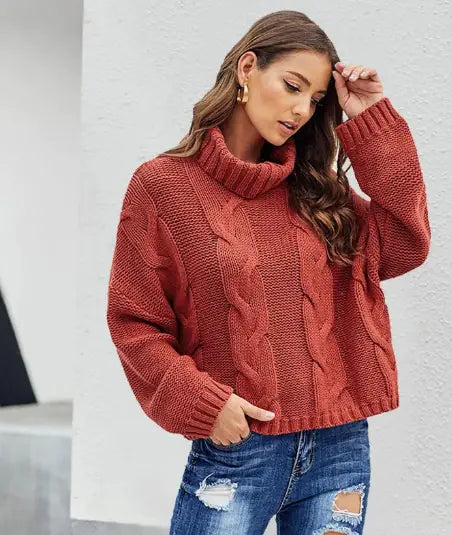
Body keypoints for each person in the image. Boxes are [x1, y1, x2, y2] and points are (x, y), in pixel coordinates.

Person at [106, 9, 430, 535]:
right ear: (247, 68)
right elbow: (134, 322)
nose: (302, 109)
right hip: (240, 453)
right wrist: (203, 404)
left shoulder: (318, 192)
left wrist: (370, 118)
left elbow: (405, 241)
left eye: (316, 99)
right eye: (293, 86)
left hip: (340, 450)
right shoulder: (163, 187)